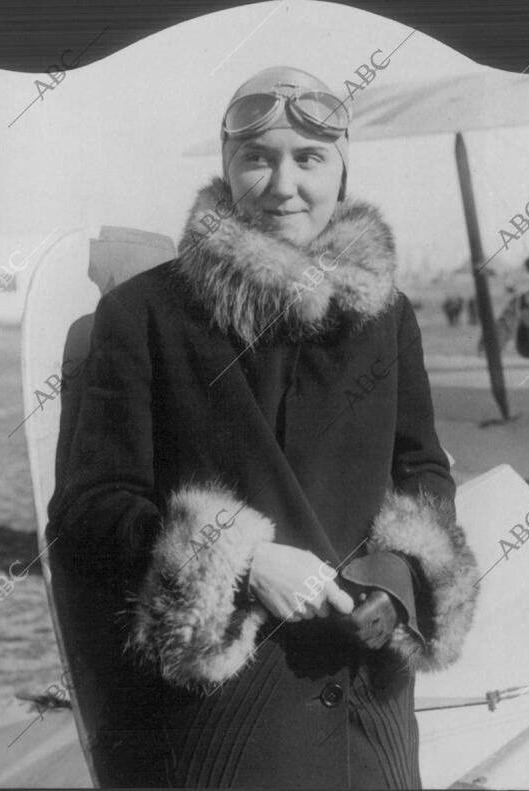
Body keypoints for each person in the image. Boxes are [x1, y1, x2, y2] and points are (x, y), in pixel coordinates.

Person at [47, 66, 480, 789]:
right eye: (259, 157)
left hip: (369, 710)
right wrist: (240, 560)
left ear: (342, 171)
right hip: (226, 722)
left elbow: (423, 471)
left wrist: (394, 584)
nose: (283, 184)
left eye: (309, 158)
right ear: (227, 166)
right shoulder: (143, 314)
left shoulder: (388, 316)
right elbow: (91, 511)